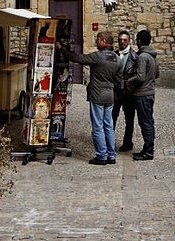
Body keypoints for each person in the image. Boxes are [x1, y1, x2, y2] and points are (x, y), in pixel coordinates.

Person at [56, 30, 122, 165]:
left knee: (97, 126)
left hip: (97, 95)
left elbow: (77, 58)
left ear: (104, 41)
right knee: (108, 126)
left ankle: (101, 156)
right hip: (109, 96)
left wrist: (61, 48)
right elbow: (119, 79)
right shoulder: (117, 58)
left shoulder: (98, 56)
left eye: (98, 39)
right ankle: (111, 155)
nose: (96, 42)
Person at [126, 29, 159, 161]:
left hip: (142, 94)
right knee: (149, 121)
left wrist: (129, 80)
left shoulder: (142, 57)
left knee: (145, 123)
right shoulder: (153, 56)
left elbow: (140, 77)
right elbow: (157, 74)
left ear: (139, 41)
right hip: (150, 93)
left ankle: (148, 151)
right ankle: (147, 148)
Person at [112, 30, 138, 152]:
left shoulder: (134, 56)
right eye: (120, 40)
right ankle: (109, 141)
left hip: (129, 92)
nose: (122, 42)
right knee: (112, 117)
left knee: (129, 119)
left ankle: (127, 143)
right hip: (116, 91)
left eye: (125, 40)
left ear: (129, 41)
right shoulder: (114, 55)